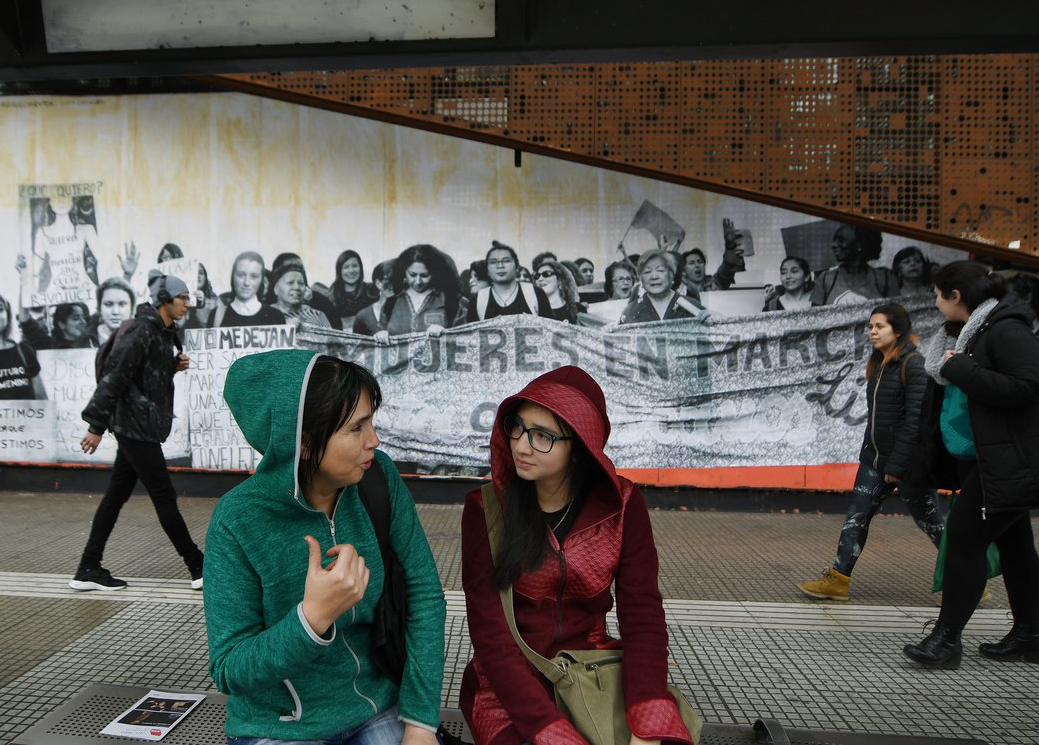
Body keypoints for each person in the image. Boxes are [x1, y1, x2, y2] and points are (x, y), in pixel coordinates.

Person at [204, 351, 446, 744]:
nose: (374, 440)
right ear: (302, 442)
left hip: (376, 706)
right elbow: (229, 669)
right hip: (280, 727)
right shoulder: (237, 520)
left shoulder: (378, 479)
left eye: (371, 422)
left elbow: (425, 594)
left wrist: (420, 721)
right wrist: (312, 618)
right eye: (356, 428)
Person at [459, 366, 694, 744]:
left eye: (542, 436)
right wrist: (551, 733)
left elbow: (643, 614)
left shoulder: (623, 506)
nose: (521, 446)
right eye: (517, 427)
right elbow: (491, 638)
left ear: (579, 447)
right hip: (508, 690)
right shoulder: (485, 509)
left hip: (593, 673)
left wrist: (646, 718)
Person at [904, 261, 1039, 668]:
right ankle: (1031, 634)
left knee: (964, 540)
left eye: (937, 295)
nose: (935, 302)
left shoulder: (1005, 329)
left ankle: (945, 641)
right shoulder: (966, 332)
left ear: (956, 296)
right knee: (1015, 545)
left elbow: (1028, 385)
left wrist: (962, 368)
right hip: (987, 457)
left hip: (1009, 459)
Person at [797, 303, 943, 601]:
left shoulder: (913, 365)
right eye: (870, 327)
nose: (872, 332)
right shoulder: (879, 364)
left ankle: (969, 582)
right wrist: (870, 453)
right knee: (856, 518)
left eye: (880, 326)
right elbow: (877, 418)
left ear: (897, 331)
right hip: (875, 460)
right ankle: (838, 580)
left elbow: (915, 422)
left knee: (932, 525)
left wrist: (896, 465)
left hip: (906, 465)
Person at [70, 274, 205, 592]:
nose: (188, 304)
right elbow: (115, 377)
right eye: (183, 298)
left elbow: (144, 377)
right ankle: (198, 566)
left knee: (115, 496)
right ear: (165, 299)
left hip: (140, 426)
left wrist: (171, 367)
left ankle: (88, 567)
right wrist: (95, 426)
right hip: (134, 428)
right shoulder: (142, 330)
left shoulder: (161, 332)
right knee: (164, 497)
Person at [375, 244, 462, 340]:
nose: (418, 281)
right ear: (404, 272)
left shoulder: (449, 300)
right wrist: (381, 334)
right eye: (412, 275)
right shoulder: (392, 302)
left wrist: (446, 333)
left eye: (424, 275)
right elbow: (379, 333)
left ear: (434, 273)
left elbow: (463, 336)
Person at [811, 223, 899, 305]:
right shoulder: (825, 279)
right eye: (834, 240)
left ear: (859, 244)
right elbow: (813, 315)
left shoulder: (885, 280)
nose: (833, 245)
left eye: (841, 240)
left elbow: (896, 314)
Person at [466, 241, 554, 323]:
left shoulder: (535, 293)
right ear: (487, 270)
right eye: (493, 262)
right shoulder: (477, 301)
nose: (500, 266)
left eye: (506, 260)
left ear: (517, 267)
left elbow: (551, 330)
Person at [619, 249, 705, 324]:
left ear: (671, 275)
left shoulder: (692, 306)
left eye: (660, 270)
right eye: (647, 272)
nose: (654, 277)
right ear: (640, 278)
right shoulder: (630, 311)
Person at [214, 252, 286, 327]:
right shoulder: (217, 315)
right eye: (240, 275)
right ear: (233, 277)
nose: (246, 283)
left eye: (254, 276)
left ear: (261, 280)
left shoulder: (276, 316)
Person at [267, 262, 334, 328]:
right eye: (290, 283)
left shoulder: (318, 316)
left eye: (301, 283)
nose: (297, 287)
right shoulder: (266, 315)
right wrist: (285, 328)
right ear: (276, 289)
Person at [329, 249, 380, 330]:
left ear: (360, 268)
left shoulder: (371, 291)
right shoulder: (332, 295)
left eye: (355, 266)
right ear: (339, 271)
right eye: (346, 267)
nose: (351, 270)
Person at [352, 259, 395, 336]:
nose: (395, 286)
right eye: (390, 281)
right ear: (378, 284)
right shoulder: (363, 315)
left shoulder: (409, 310)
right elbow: (357, 342)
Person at [533, 259, 581, 325]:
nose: (540, 279)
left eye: (546, 274)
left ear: (560, 280)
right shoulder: (534, 312)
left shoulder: (578, 309)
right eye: (537, 276)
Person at [92, 277, 136, 347]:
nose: (115, 312)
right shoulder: (84, 342)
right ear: (99, 308)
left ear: (131, 308)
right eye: (108, 304)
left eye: (121, 304)